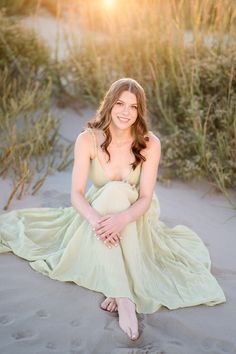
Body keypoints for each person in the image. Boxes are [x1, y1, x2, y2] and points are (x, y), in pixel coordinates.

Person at [0, 78, 226, 341]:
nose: (125, 112)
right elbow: (76, 195)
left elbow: (145, 197)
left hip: (136, 214)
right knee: (111, 194)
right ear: (109, 104)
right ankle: (124, 297)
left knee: (118, 193)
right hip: (97, 214)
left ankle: (115, 286)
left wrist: (123, 218)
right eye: (120, 103)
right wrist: (99, 221)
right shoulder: (88, 139)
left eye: (133, 106)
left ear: (139, 111)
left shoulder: (150, 143)